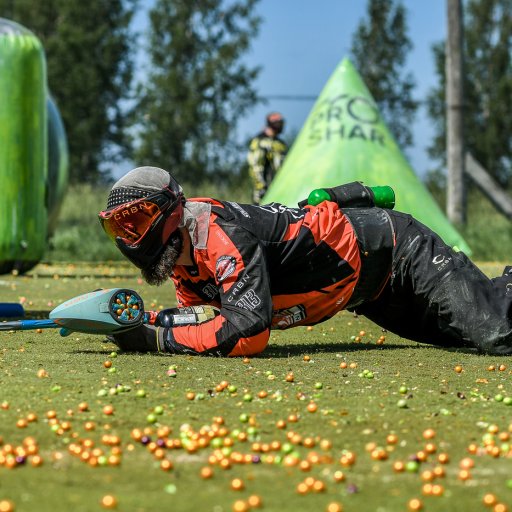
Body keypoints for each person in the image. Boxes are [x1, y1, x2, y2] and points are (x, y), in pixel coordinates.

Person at [98, 166, 512, 357]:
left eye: (135, 222)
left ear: (171, 212)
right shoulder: (185, 262)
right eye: (119, 230)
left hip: (396, 248)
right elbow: (205, 321)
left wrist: (154, 340)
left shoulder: (219, 235)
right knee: (470, 336)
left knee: (496, 333)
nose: (129, 239)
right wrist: (145, 322)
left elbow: (247, 334)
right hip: (368, 294)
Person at [247, 112, 288, 204]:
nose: (280, 125)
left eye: (281, 122)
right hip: (264, 191)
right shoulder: (259, 141)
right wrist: (261, 187)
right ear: (270, 123)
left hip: (280, 190)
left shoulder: (280, 144)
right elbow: (255, 166)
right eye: (278, 122)